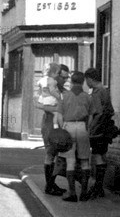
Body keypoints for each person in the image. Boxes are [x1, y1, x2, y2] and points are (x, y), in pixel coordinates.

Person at [56, 71, 95, 202]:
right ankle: (84, 193)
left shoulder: (64, 96)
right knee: (84, 161)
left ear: (71, 82)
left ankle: (72, 193)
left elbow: (60, 116)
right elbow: (90, 116)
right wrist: (87, 129)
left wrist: (63, 129)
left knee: (70, 161)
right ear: (83, 82)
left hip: (69, 127)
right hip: (82, 127)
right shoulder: (88, 97)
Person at [85, 68, 117, 199]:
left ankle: (98, 187)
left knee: (97, 157)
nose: (86, 83)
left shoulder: (97, 93)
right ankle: (99, 187)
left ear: (90, 79)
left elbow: (96, 114)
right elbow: (111, 111)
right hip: (105, 129)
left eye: (87, 80)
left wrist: (90, 130)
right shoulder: (105, 91)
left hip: (97, 130)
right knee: (101, 156)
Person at [34, 62, 66, 196]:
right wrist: (57, 108)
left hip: (60, 124)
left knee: (57, 155)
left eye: (65, 77)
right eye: (61, 76)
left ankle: (52, 184)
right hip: (50, 124)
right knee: (50, 153)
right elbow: (37, 104)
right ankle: (49, 185)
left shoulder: (63, 91)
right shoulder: (50, 88)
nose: (63, 79)